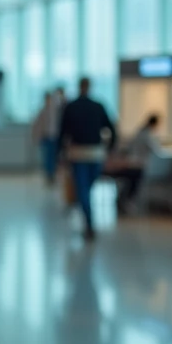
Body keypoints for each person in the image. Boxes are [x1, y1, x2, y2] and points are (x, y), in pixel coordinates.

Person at [57, 77, 117, 240]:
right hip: (95, 153)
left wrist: (60, 153)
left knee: (83, 187)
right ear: (89, 87)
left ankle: (85, 214)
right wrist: (110, 149)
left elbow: (62, 133)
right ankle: (88, 219)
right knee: (87, 187)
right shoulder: (98, 106)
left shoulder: (71, 107)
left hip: (78, 153)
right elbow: (112, 128)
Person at [107, 114, 161, 213]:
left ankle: (124, 200)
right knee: (135, 178)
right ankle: (126, 201)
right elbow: (156, 149)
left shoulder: (140, 132)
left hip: (132, 163)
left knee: (132, 179)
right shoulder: (147, 134)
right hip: (134, 164)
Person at [31, 91, 62, 185]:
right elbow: (37, 125)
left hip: (55, 137)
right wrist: (37, 136)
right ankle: (49, 175)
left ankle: (53, 174)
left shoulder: (57, 111)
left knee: (53, 158)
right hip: (46, 137)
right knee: (47, 158)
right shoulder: (43, 111)